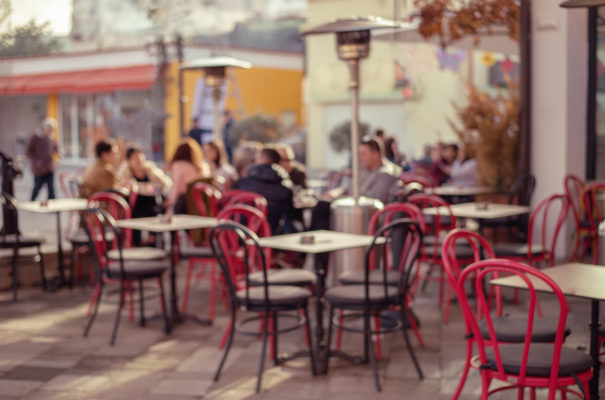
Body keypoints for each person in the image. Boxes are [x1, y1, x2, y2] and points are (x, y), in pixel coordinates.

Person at [117, 145, 172, 245]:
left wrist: (154, 187)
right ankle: (136, 243)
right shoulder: (125, 171)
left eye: (140, 157)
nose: (139, 160)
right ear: (129, 160)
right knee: (134, 215)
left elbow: (165, 183)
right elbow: (121, 188)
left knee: (156, 211)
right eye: (135, 158)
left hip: (151, 203)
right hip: (134, 205)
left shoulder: (149, 168)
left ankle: (152, 240)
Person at [233, 146, 293, 234]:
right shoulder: (285, 185)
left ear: (263, 160)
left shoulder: (244, 181)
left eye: (256, 158)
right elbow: (291, 213)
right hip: (271, 233)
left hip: (240, 232)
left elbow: (228, 202)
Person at [166, 138, 211, 214]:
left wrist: (170, 201)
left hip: (185, 201)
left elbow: (176, 186)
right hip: (201, 202)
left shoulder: (178, 165)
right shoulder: (202, 166)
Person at [27, 118, 59, 201]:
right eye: (49, 129)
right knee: (37, 187)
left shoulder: (51, 138)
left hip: (49, 168)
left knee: (51, 189)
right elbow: (29, 151)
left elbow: (56, 147)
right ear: (44, 128)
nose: (50, 131)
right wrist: (36, 161)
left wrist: (59, 151)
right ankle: (32, 202)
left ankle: (52, 205)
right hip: (39, 168)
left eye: (52, 130)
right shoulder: (36, 137)